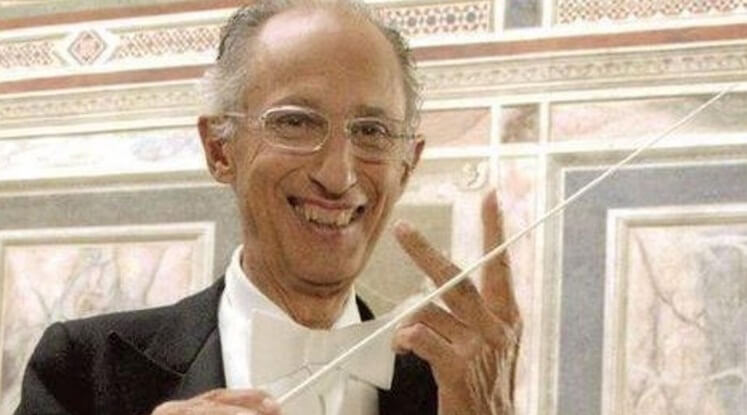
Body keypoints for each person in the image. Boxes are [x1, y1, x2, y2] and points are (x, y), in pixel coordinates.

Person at [15, 1, 521, 414]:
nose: (338, 176)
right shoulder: (83, 369)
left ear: (406, 166)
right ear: (220, 149)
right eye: (295, 122)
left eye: (372, 131)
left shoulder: (452, 389)